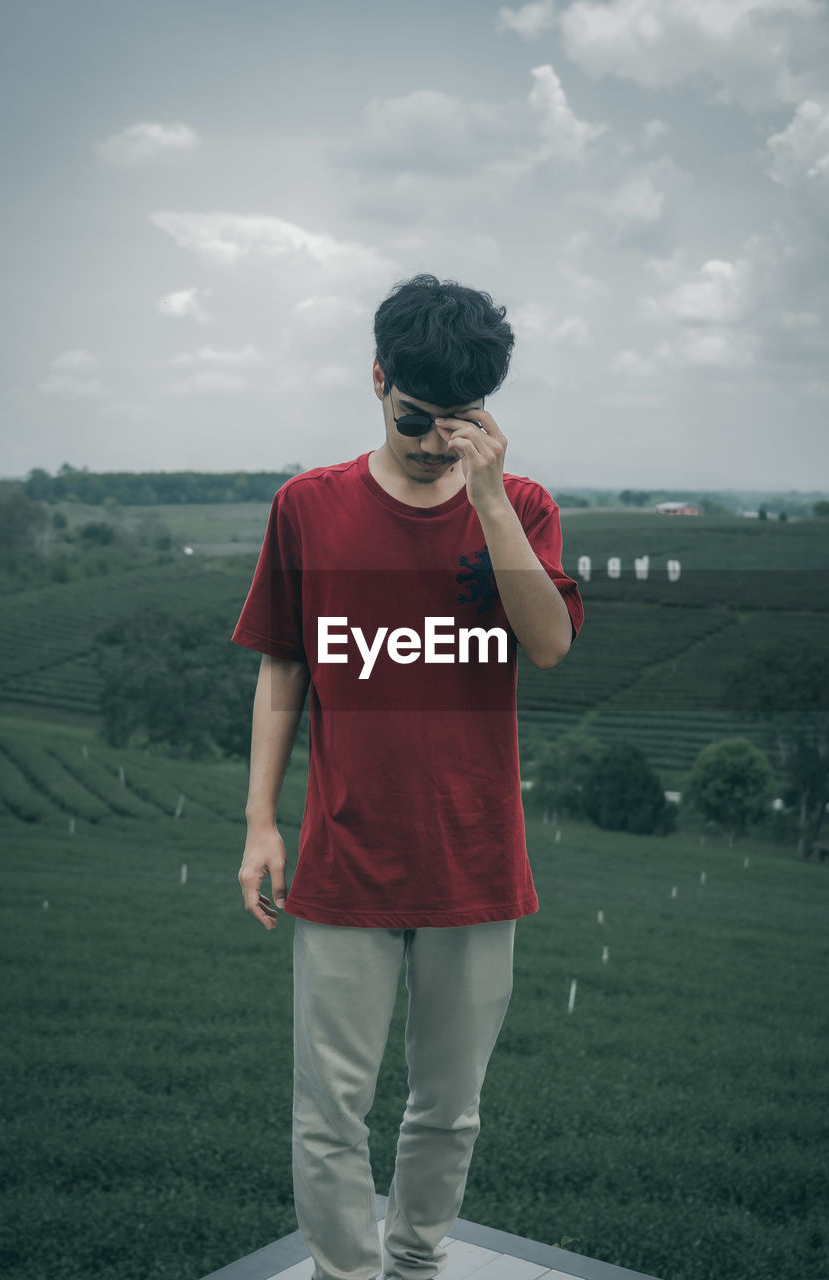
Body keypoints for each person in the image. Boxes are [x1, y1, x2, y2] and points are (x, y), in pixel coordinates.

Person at [232, 273, 584, 1280]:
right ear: (378, 379)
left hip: (475, 856)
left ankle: (418, 1260)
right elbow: (283, 661)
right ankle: (348, 1274)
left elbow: (549, 643)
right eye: (416, 417)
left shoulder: (521, 505)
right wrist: (260, 818)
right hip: (346, 853)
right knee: (329, 1105)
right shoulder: (308, 505)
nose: (435, 441)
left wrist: (485, 497)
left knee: (449, 1103)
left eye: (461, 420)